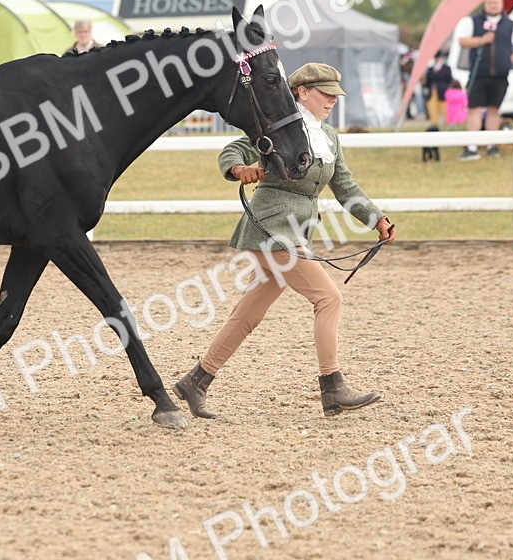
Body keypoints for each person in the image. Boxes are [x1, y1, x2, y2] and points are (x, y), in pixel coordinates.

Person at [174, 62, 396, 419]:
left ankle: (196, 381)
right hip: (272, 228)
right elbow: (233, 150)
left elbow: (345, 187)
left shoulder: (329, 137)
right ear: (302, 92)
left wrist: (377, 219)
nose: (332, 101)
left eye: (335, 95)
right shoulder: (276, 127)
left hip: (293, 231)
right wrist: (238, 170)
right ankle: (333, 386)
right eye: (325, 94)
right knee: (329, 298)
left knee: (248, 315)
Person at [455, 0, 513, 160]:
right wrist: (481, 41)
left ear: (501, 3)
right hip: (479, 73)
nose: (493, 6)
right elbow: (462, 41)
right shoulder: (472, 22)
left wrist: (509, 60)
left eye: (496, 3)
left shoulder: (510, 24)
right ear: (485, 4)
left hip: (500, 75)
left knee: (494, 109)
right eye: (490, 3)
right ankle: (472, 146)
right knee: (474, 109)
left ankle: (492, 144)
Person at [424, 52, 454, 125]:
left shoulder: (446, 68)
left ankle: (446, 123)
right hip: (433, 91)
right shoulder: (431, 69)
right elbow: (428, 81)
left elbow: (449, 80)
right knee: (432, 109)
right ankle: (434, 124)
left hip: (443, 92)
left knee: (444, 109)